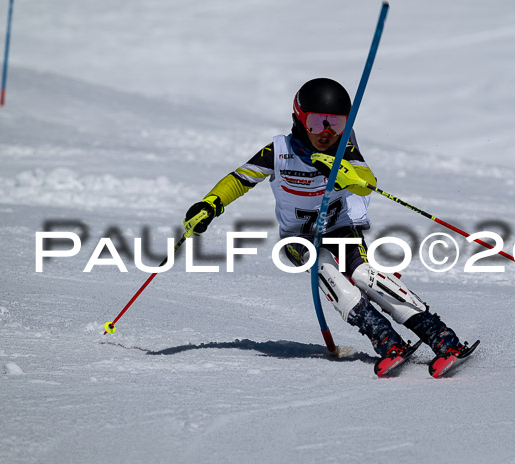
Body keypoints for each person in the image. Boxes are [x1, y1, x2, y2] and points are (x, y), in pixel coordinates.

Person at [184, 77, 467, 362]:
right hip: (298, 240)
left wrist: (346, 173)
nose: (327, 132)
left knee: (364, 276)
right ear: (300, 119)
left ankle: (441, 337)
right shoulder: (279, 151)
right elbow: (238, 180)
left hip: (341, 229)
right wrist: (211, 204)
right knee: (328, 273)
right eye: (317, 122)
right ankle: (387, 341)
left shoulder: (344, 149)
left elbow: (367, 182)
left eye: (336, 123)